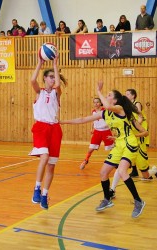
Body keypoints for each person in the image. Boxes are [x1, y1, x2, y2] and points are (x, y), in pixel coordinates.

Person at [61, 82, 146, 218]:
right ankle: (107, 199)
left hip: (129, 143)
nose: (106, 96)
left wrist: (98, 91)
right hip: (119, 144)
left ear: (115, 100)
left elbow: (107, 105)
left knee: (122, 171)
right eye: (106, 95)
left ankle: (138, 201)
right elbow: (83, 119)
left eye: (109, 95)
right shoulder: (105, 113)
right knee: (103, 172)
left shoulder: (119, 108)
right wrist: (62, 121)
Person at [29, 53, 67, 210]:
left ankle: (45, 194)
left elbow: (58, 84)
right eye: (50, 77)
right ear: (44, 79)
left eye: (53, 77)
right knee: (44, 156)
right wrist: (39, 62)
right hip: (41, 128)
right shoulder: (40, 92)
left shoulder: (56, 94)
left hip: (55, 129)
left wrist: (55, 64)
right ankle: (36, 188)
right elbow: (32, 80)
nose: (52, 79)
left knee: (51, 166)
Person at [80, 98, 114, 170]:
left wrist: (110, 127)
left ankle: (115, 162)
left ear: (100, 103)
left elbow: (111, 119)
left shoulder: (105, 110)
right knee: (91, 149)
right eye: (94, 102)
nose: (96, 104)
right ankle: (85, 160)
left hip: (106, 131)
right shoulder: (93, 112)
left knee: (112, 148)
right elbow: (93, 120)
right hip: (97, 132)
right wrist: (92, 128)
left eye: (97, 102)